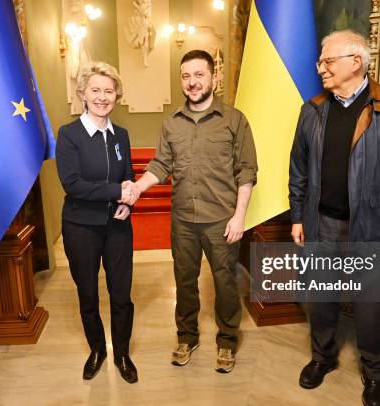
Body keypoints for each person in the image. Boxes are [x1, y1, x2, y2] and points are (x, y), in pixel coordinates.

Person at [288, 30, 380, 406]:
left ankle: (375, 372)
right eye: (320, 61)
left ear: (356, 61)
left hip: (374, 229)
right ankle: (322, 358)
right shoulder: (312, 109)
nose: (320, 68)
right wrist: (298, 215)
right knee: (321, 299)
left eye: (327, 61)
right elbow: (298, 168)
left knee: (371, 306)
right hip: (323, 225)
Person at [124, 50, 257, 373]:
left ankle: (227, 341)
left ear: (214, 78)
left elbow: (247, 170)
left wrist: (239, 216)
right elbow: (161, 164)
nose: (192, 82)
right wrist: (138, 188)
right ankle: (187, 336)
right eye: (186, 76)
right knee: (184, 281)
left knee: (225, 283)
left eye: (199, 74)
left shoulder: (234, 120)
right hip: (183, 220)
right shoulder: (172, 123)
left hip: (222, 220)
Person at [56, 61, 140, 384]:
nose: (103, 97)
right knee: (88, 294)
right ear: (83, 94)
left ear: (116, 96)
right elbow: (72, 184)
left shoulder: (121, 135)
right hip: (81, 227)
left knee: (121, 294)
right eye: (96, 90)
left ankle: (120, 352)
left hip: (118, 226)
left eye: (109, 91)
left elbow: (129, 177)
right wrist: (116, 191)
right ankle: (97, 349)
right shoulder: (69, 135)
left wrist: (128, 202)